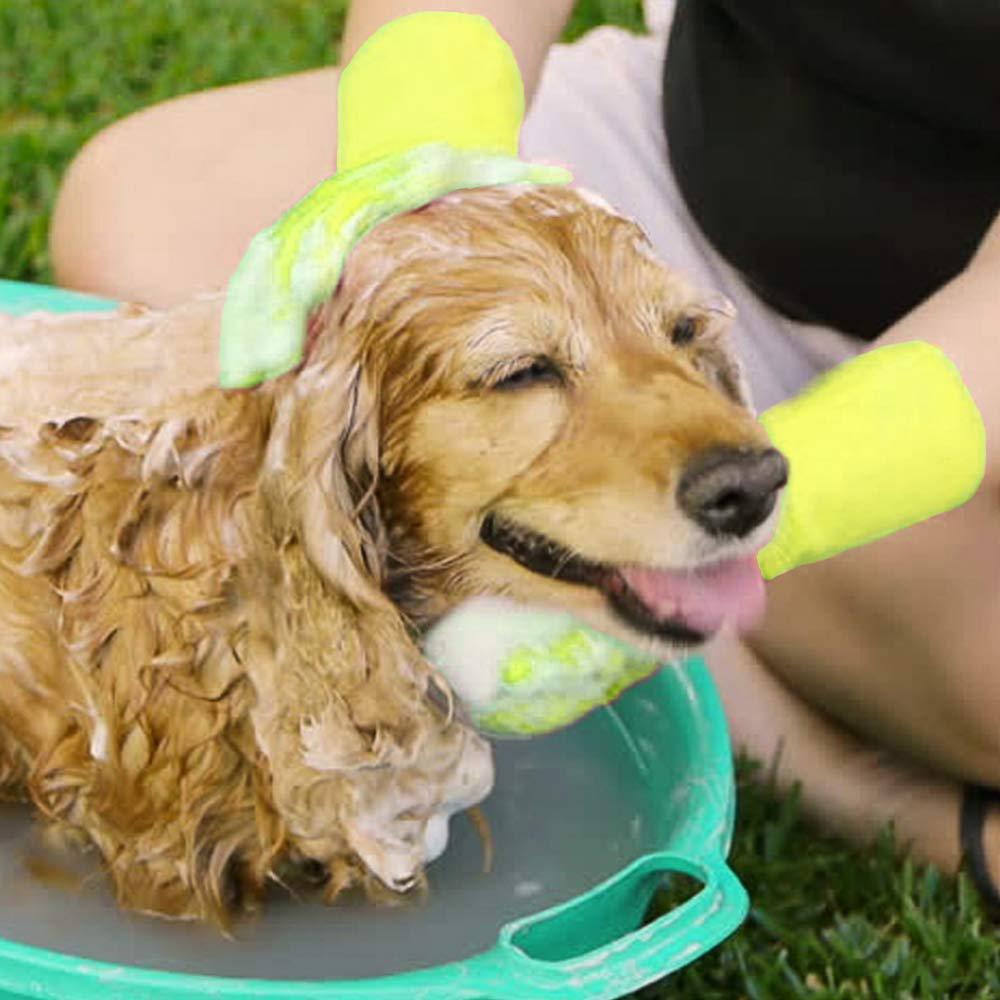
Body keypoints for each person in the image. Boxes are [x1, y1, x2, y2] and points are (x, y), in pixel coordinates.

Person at [48, 0, 1000, 902]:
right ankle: (740, 678)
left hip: (968, 381)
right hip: (664, 215)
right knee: (145, 211)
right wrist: (418, 200)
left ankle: (843, 782)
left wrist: (794, 495)